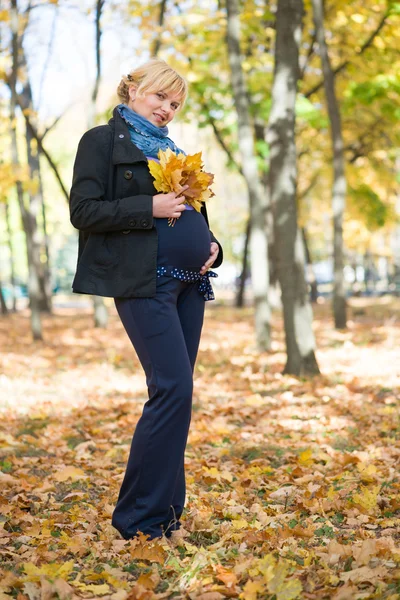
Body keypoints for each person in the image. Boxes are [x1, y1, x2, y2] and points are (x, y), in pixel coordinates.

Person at [69, 58, 223, 541]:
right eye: (160, 97)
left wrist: (214, 248)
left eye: (175, 103)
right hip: (144, 280)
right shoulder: (101, 141)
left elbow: (194, 214)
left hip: (188, 283)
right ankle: (138, 521)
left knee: (179, 396)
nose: (167, 109)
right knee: (171, 389)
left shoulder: (172, 150)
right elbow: (84, 211)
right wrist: (147, 206)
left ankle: (165, 513)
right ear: (133, 89)